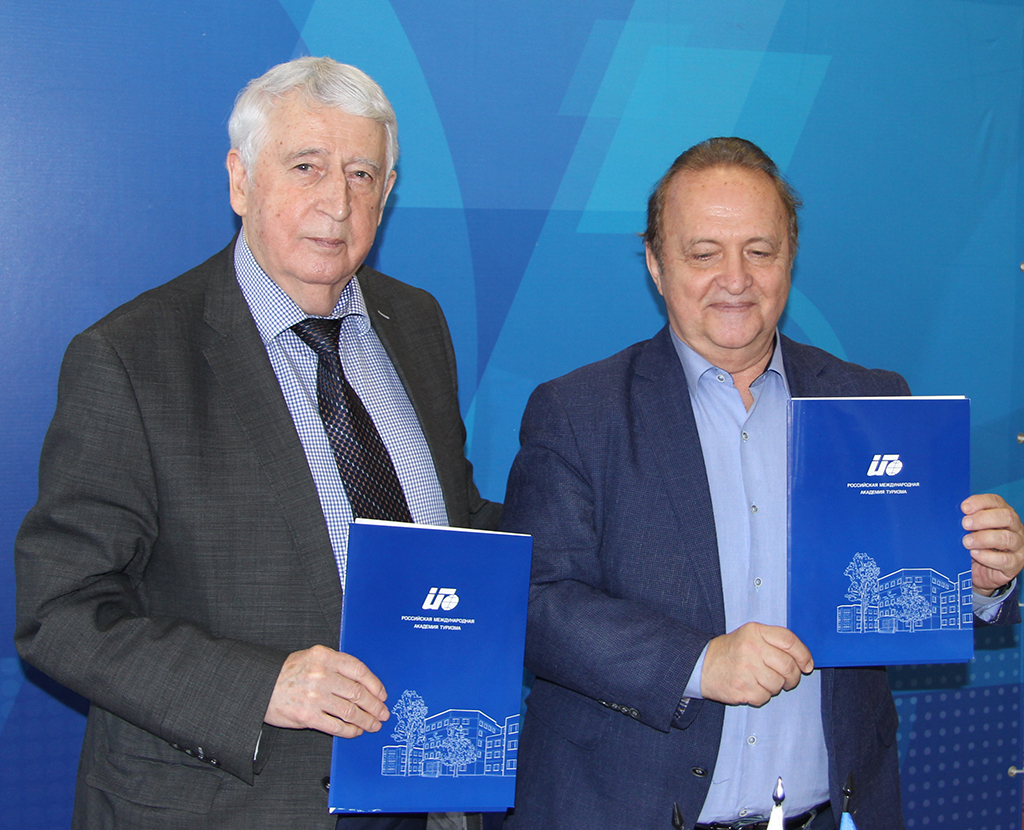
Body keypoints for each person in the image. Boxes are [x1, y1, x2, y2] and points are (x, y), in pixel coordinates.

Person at [14, 56, 499, 830]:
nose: (337, 203)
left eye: (362, 175)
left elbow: (452, 521)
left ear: (388, 192)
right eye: (307, 166)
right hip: (230, 805)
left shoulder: (415, 322)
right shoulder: (131, 357)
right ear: (241, 181)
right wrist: (261, 686)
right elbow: (61, 611)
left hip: (421, 789)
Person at [500, 137, 1024, 830]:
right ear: (656, 263)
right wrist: (699, 662)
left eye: (760, 250)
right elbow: (537, 603)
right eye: (704, 253)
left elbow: (899, 588)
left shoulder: (870, 403)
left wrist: (978, 582)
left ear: (790, 255)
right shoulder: (578, 413)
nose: (736, 278)